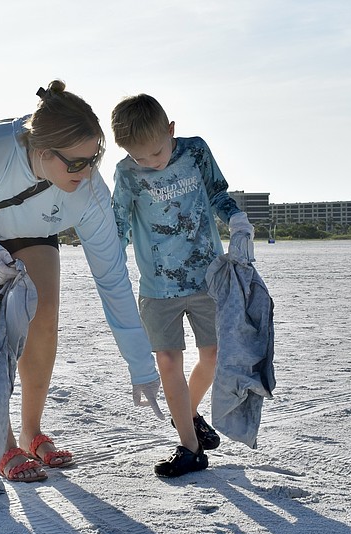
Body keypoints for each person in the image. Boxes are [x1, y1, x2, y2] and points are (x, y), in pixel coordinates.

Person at [0, 80, 163, 483]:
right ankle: (1, 443)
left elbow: (112, 279)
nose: (87, 171)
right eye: (75, 162)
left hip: (34, 223)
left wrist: (142, 365)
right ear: (42, 153)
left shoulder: (87, 190)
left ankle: (31, 430)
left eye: (94, 158)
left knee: (45, 313)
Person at [110, 93, 255, 477]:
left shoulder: (195, 151)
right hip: (157, 288)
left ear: (171, 130)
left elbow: (217, 193)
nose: (151, 163)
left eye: (157, 152)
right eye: (140, 158)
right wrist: (105, 254)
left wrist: (237, 219)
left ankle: (187, 414)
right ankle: (190, 448)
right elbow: (119, 225)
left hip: (207, 277)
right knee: (168, 361)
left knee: (213, 355)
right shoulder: (126, 175)